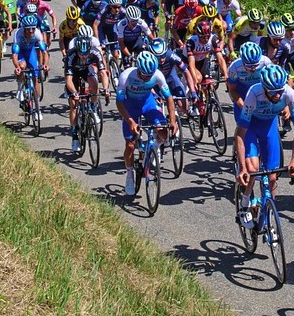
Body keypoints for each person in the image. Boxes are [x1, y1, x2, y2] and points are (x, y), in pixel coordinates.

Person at [234, 65, 294, 228]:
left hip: (269, 128)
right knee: (252, 169)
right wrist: (242, 167)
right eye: (272, 92)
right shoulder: (254, 93)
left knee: (272, 177)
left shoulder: (288, 93)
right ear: (264, 88)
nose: (277, 95)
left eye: (279, 90)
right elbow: (239, 133)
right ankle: (244, 202)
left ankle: (269, 216)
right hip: (251, 128)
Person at [116, 52, 177, 197]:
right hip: (130, 106)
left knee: (163, 131)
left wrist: (173, 120)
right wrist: (130, 120)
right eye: (145, 75)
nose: (148, 78)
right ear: (138, 70)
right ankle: (130, 173)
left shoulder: (157, 75)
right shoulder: (126, 76)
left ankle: (153, 148)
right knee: (130, 145)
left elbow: (169, 98)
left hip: (147, 103)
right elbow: (119, 102)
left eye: (150, 76)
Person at [64, 36, 110, 152]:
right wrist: (74, 92)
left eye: (86, 54)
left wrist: (106, 89)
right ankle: (74, 137)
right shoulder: (71, 55)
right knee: (73, 104)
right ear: (77, 50)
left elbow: (103, 73)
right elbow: (68, 80)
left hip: (86, 70)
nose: (84, 56)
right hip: (73, 73)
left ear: (90, 49)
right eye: (81, 54)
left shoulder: (95, 53)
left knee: (94, 84)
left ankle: (93, 110)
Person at [148, 37, 199, 116]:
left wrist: (193, 91)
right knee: (156, 110)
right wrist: (154, 94)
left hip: (171, 78)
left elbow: (186, 71)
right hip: (155, 82)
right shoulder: (149, 60)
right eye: (158, 57)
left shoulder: (171, 55)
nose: (161, 60)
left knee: (184, 108)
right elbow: (145, 81)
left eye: (163, 55)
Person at [11, 15, 49, 116]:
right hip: (21, 52)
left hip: (30, 51)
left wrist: (45, 64)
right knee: (22, 66)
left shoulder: (37, 33)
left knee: (35, 76)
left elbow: (44, 52)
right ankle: (19, 88)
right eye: (28, 29)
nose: (31, 31)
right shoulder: (18, 34)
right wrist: (17, 67)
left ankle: (37, 107)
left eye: (33, 28)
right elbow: (14, 55)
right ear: (24, 28)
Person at [227, 41, 272, 124]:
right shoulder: (234, 67)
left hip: (261, 91)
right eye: (249, 66)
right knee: (243, 124)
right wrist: (243, 106)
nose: (253, 69)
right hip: (242, 92)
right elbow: (232, 90)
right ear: (242, 61)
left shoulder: (266, 62)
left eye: (256, 65)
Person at [186, 20, 228, 90]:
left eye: (207, 36)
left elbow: (220, 59)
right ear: (198, 35)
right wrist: (195, 79)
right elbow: (191, 63)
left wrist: (226, 75)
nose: (206, 39)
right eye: (203, 37)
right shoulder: (191, 42)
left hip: (202, 60)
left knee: (209, 83)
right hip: (188, 62)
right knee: (198, 78)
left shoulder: (213, 39)